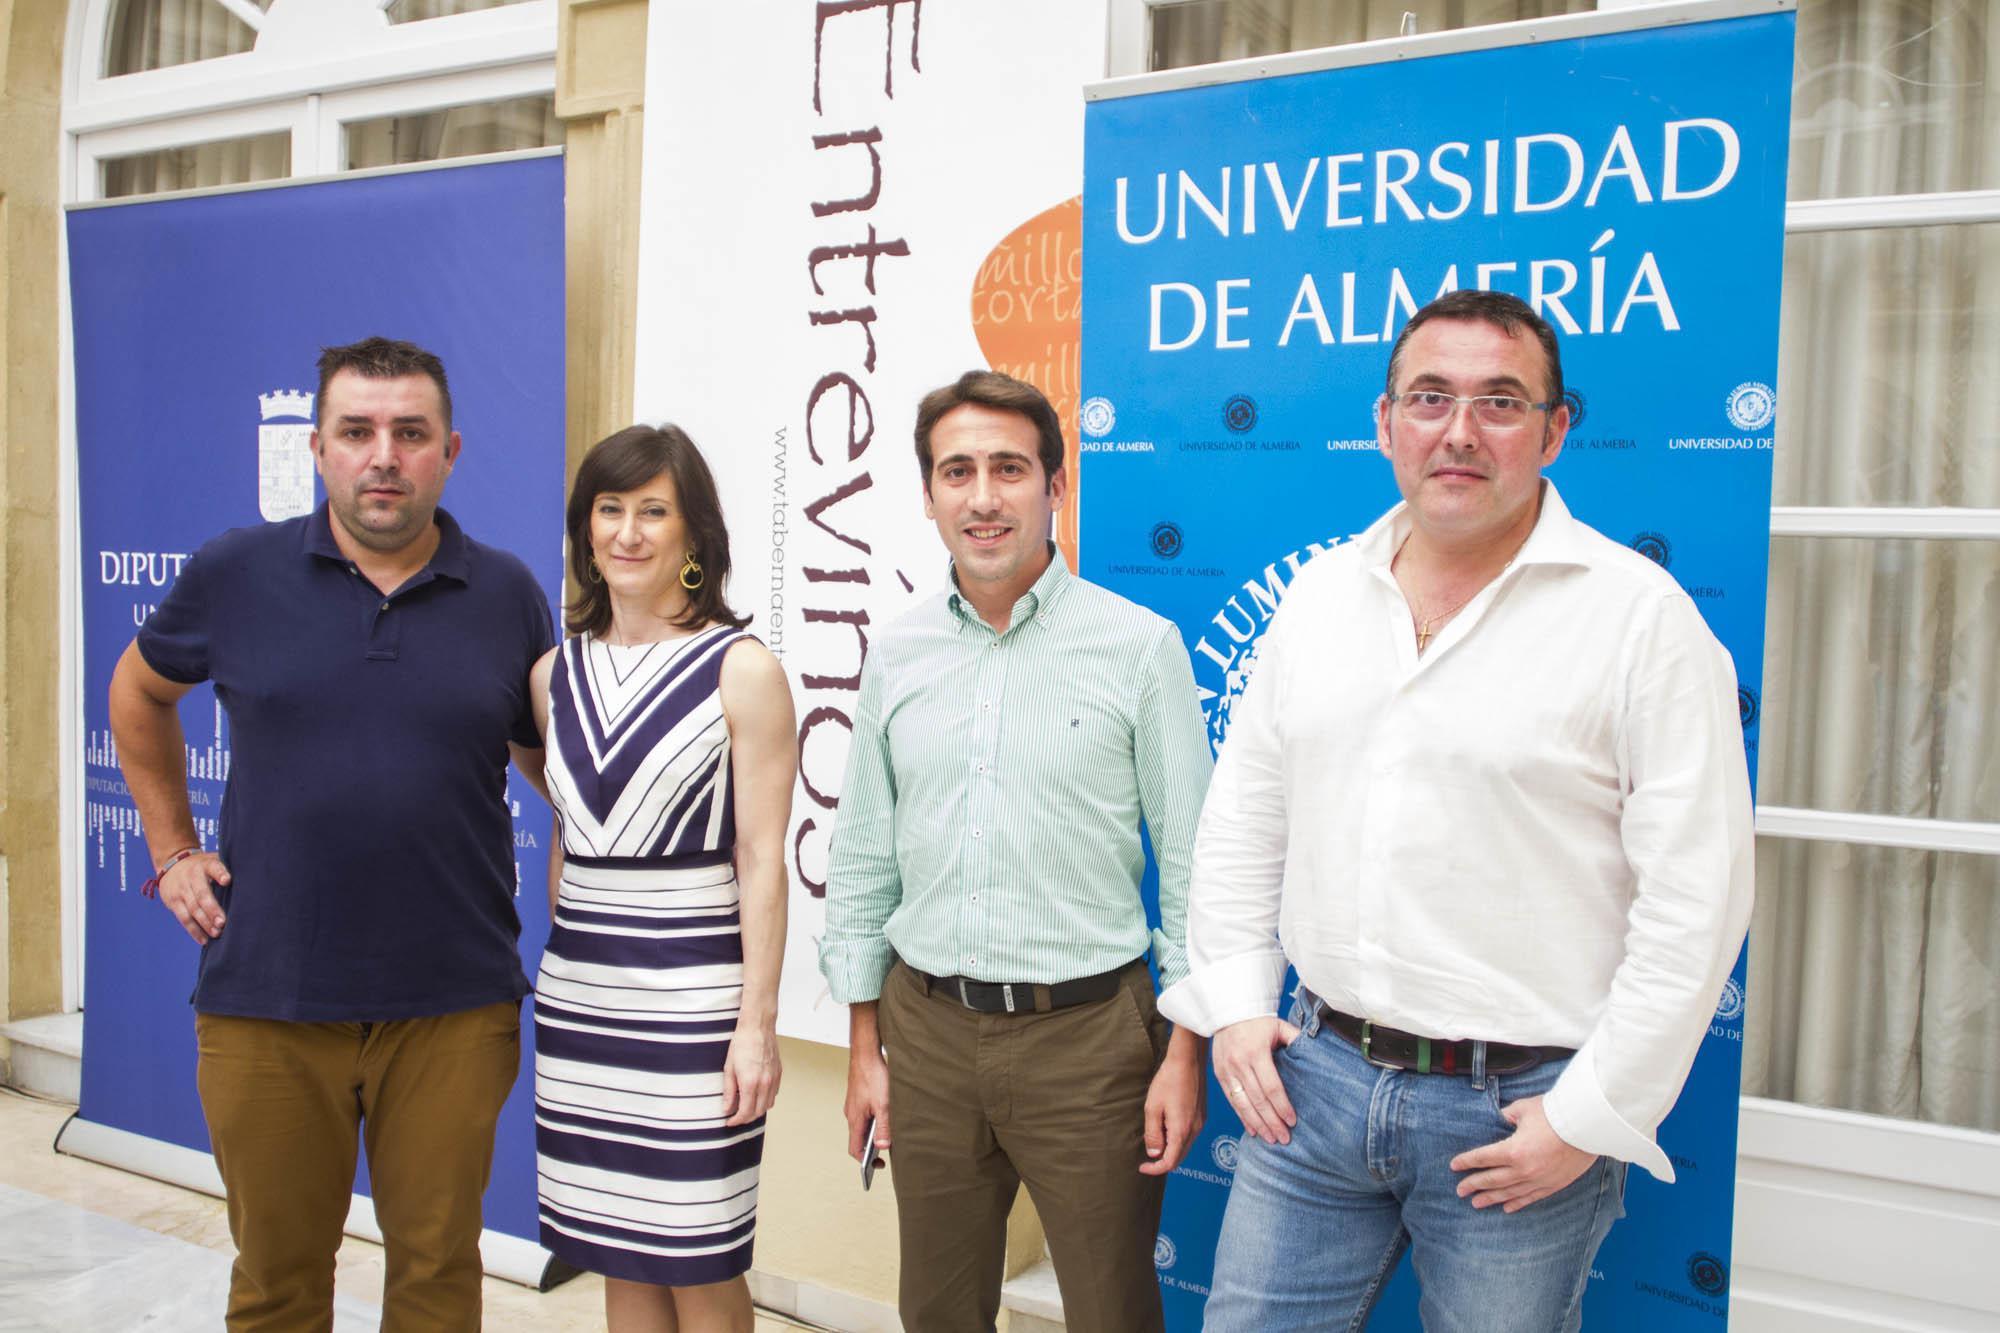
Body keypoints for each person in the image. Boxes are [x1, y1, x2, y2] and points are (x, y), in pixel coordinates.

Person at [1163, 289, 1755, 1331]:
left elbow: (1695, 900)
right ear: (1385, 421)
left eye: (1499, 402)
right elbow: (1245, 816)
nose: (1458, 431)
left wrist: (1587, 1115)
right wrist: (1238, 1002)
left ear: (1554, 429)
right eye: (1429, 398)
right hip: (1313, 1085)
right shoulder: (1316, 600)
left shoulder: (1639, 622)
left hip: (1516, 1117)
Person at [108, 336, 554, 1331]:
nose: (383, 455)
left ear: (451, 450)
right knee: (277, 1285)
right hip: (268, 998)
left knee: (438, 1277)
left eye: (409, 432)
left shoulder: (507, 594)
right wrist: (171, 848)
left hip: (450, 1006)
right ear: (317, 448)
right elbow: (138, 693)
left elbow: (553, 762)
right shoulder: (236, 573)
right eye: (356, 432)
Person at [819, 370, 1213, 1333]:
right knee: (939, 1312)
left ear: (1056, 486)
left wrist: (1186, 1054)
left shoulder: (1139, 645)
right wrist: (867, 1049)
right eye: (958, 471)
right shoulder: (898, 653)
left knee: (1112, 1311)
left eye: (1009, 467)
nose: (983, 496)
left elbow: (1198, 867)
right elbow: (866, 858)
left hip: (1090, 1046)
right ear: (928, 494)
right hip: (928, 1036)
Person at [529, 425, 795, 1333]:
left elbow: (762, 860)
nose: (629, 532)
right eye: (610, 510)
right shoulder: (549, 675)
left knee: (698, 1256)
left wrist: (754, 1026)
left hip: (695, 1009)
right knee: (614, 1250)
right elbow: (570, 831)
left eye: (654, 511)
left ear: (694, 538)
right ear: (585, 529)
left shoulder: (742, 668)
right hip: (580, 1003)